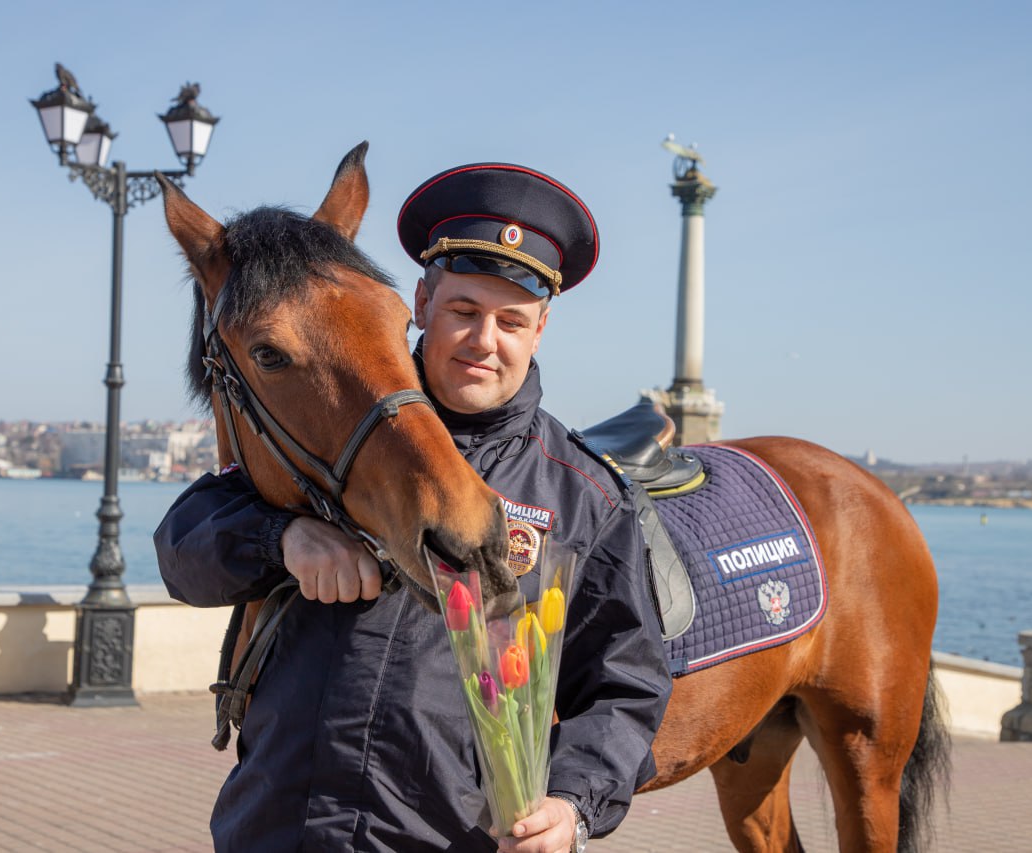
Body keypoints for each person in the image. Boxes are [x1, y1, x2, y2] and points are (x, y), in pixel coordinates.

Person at [155, 161, 671, 853]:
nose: (484, 340)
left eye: (510, 320)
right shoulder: (336, 427)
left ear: (539, 330)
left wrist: (575, 803)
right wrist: (282, 537)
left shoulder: (584, 497)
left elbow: (623, 684)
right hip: (278, 830)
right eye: (463, 311)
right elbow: (186, 546)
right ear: (423, 305)